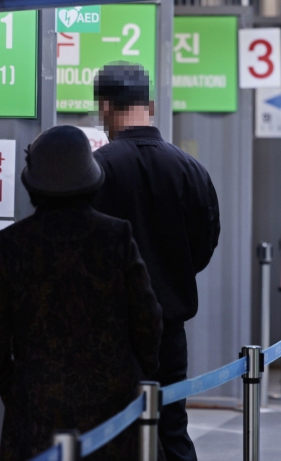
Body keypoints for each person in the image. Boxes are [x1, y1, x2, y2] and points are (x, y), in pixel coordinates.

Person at [0, 125, 163, 460]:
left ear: (33, 184)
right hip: (112, 408)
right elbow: (147, 318)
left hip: (36, 408)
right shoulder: (116, 236)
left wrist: (12, 386)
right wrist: (137, 374)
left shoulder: (14, 243)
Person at [92, 63, 220, 461]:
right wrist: (171, 274)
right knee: (172, 429)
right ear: (149, 104)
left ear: (106, 107)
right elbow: (206, 241)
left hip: (111, 331)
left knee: (112, 433)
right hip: (169, 329)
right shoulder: (190, 169)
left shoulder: (98, 169)